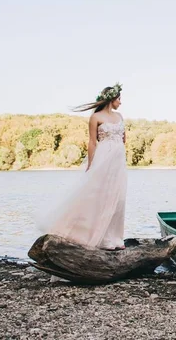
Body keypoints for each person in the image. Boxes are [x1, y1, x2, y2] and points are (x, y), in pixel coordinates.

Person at [39, 83, 127, 251]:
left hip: (118, 161)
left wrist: (120, 154)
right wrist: (91, 165)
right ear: (112, 98)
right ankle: (91, 235)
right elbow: (93, 142)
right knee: (99, 196)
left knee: (118, 198)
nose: (121, 102)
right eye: (119, 98)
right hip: (104, 158)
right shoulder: (95, 117)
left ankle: (114, 238)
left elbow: (123, 139)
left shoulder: (120, 117)